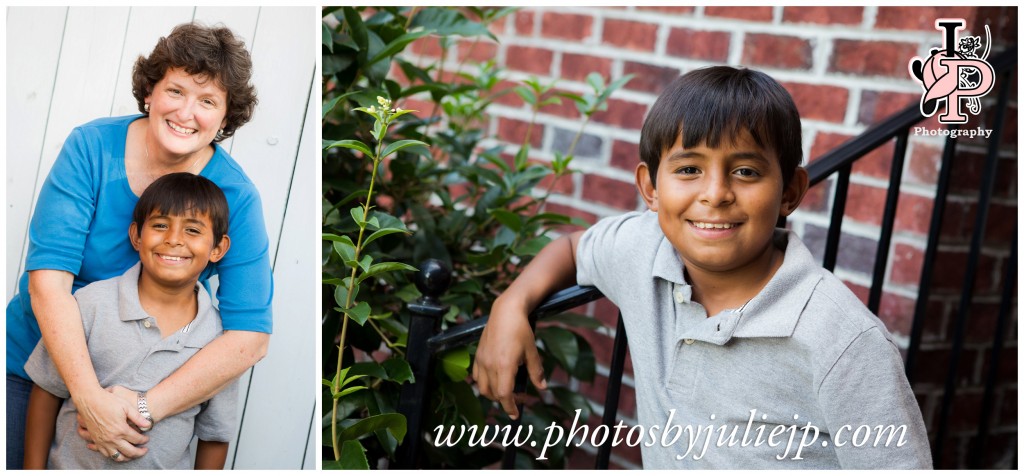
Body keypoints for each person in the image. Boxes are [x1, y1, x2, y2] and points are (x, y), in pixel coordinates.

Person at [473, 66, 932, 469]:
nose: (715, 193)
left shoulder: (843, 341)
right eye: (689, 169)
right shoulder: (644, 249)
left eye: (746, 172)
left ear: (790, 191)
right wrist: (511, 304)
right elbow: (574, 249)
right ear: (650, 188)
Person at [6, 23, 272, 469]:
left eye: (207, 101)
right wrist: (89, 398)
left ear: (226, 119)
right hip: (35, 372)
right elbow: (49, 282)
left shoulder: (236, 196)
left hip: (147, 393)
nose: (187, 112)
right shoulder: (90, 147)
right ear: (149, 92)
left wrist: (142, 408)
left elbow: (250, 337)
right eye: (176, 91)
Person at [23, 173, 239, 470]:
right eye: (161, 225)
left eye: (192, 230)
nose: (173, 239)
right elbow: (47, 390)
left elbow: (215, 434)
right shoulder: (91, 303)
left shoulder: (221, 342)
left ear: (218, 248)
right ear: (136, 236)